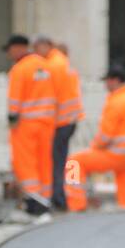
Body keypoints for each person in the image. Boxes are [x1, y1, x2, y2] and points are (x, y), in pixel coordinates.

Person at [63, 65, 125, 212]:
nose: (105, 85)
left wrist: (94, 148)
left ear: (114, 80)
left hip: (117, 155)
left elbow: (105, 136)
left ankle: (76, 204)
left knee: (74, 162)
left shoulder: (116, 101)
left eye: (107, 81)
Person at [6, 34, 57, 209]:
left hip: (26, 125)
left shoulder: (20, 69)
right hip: (47, 123)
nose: (9, 54)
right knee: (44, 162)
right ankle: (46, 197)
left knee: (25, 162)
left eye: (9, 50)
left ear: (17, 48)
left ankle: (33, 199)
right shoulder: (46, 66)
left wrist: (12, 121)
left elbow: (15, 101)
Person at [39, 36, 83, 211]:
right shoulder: (66, 64)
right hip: (70, 119)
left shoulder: (53, 65)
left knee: (56, 161)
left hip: (60, 121)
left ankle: (58, 197)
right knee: (62, 159)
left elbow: (50, 94)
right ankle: (62, 197)